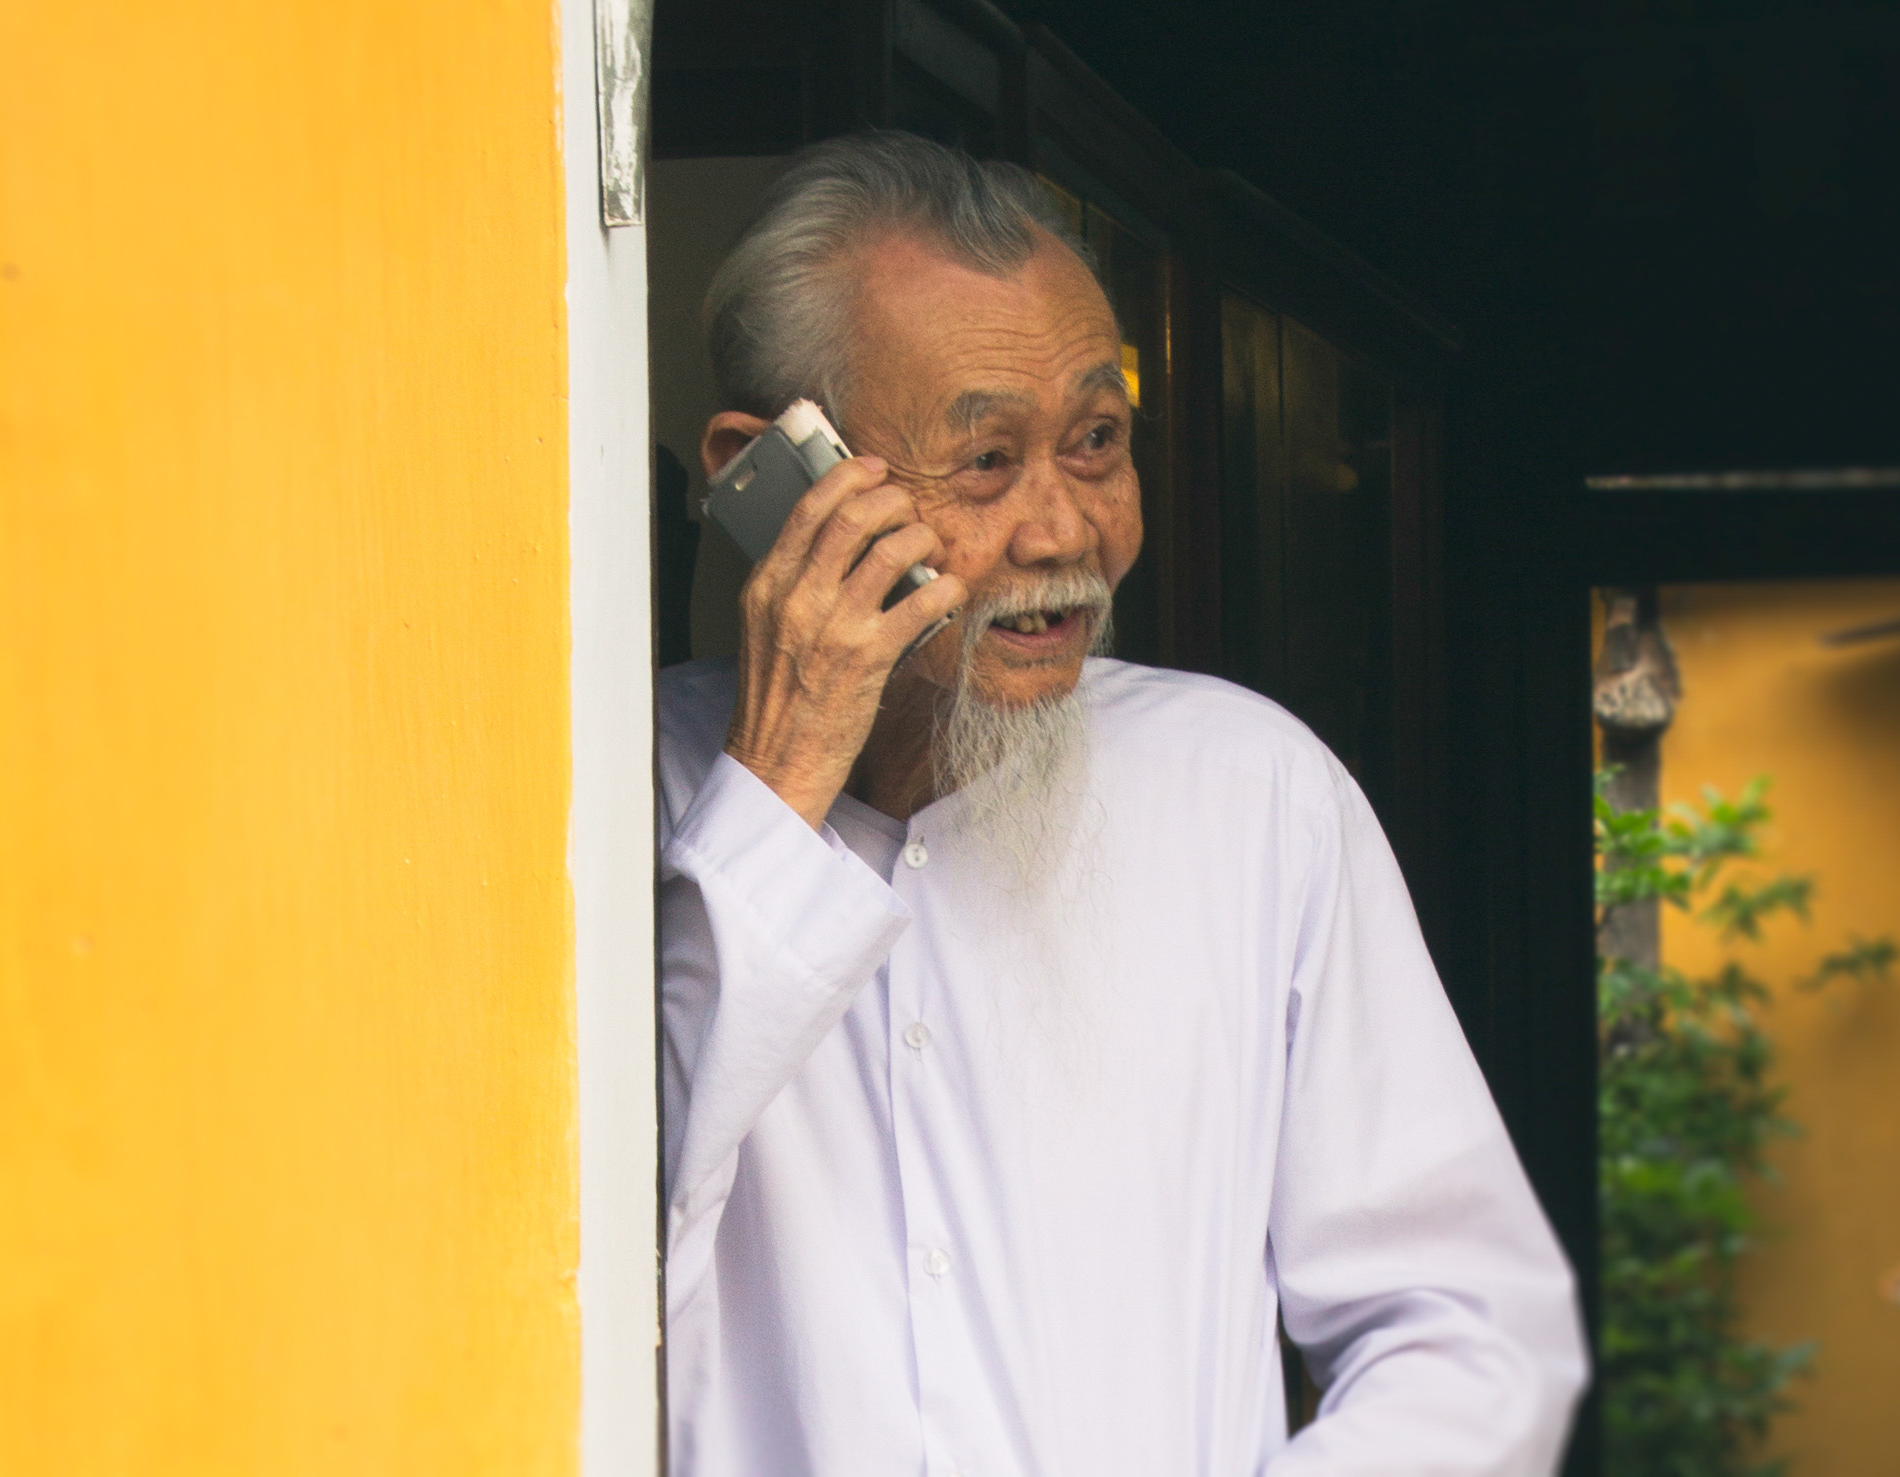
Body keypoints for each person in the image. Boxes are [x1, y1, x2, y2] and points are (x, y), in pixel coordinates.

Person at [656, 130, 1586, 1477]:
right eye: (983, 461)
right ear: (771, 480)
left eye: (1094, 442)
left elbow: (1470, 1331)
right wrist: (776, 795)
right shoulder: (597, 810)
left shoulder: (1248, 798)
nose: (1063, 530)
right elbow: (548, 1288)